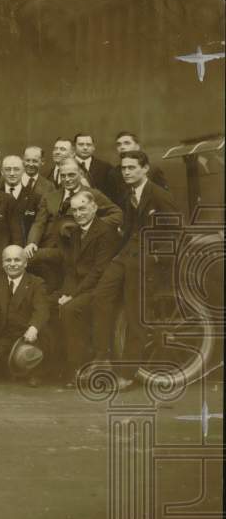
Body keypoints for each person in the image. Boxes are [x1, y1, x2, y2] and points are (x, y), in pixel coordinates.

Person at [90, 150, 179, 391]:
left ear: (145, 169)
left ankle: (128, 374)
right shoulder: (128, 194)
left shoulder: (159, 195)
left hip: (146, 260)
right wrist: (117, 254)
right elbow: (129, 230)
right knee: (100, 296)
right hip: (126, 255)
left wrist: (157, 256)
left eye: (131, 168)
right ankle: (102, 357)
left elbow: (177, 232)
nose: (126, 172)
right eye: (124, 168)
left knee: (134, 313)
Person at [54, 190, 122, 387]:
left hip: (99, 288)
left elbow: (99, 271)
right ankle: (52, 364)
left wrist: (72, 296)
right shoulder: (75, 232)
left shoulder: (106, 232)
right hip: (79, 287)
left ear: (94, 208)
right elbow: (71, 268)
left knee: (69, 309)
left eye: (82, 208)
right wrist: (66, 293)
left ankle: (76, 368)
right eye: (75, 210)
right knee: (50, 302)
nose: (78, 214)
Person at [24, 158, 122, 289]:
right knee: (24, 259)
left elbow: (117, 214)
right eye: (63, 175)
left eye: (71, 175)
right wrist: (32, 243)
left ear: (80, 174)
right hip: (50, 246)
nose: (67, 179)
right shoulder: (50, 196)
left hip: (75, 249)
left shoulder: (93, 194)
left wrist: (90, 224)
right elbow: (39, 223)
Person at [0, 246, 50, 386]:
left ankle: (34, 373)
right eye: (8, 260)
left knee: (29, 354)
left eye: (17, 260)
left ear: (25, 263)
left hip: (29, 336)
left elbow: (42, 310)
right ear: (2, 263)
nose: (12, 264)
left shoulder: (37, 283)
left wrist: (34, 328)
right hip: (7, 336)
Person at [106, 131, 170, 199]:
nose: (122, 147)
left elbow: (164, 196)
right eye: (119, 144)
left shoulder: (153, 170)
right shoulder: (114, 173)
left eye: (127, 143)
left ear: (137, 146)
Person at [0, 154, 42, 243]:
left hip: (25, 247)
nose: (12, 173)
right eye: (8, 169)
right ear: (2, 172)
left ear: (23, 171)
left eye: (16, 169)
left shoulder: (35, 198)